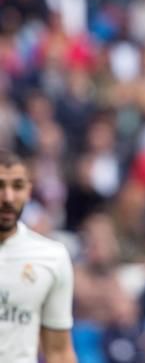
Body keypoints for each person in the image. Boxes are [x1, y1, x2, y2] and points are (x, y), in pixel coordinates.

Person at [0, 152, 77, 363]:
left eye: (17, 187)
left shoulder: (52, 257)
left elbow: (59, 352)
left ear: (28, 191)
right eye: (0, 186)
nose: (7, 197)